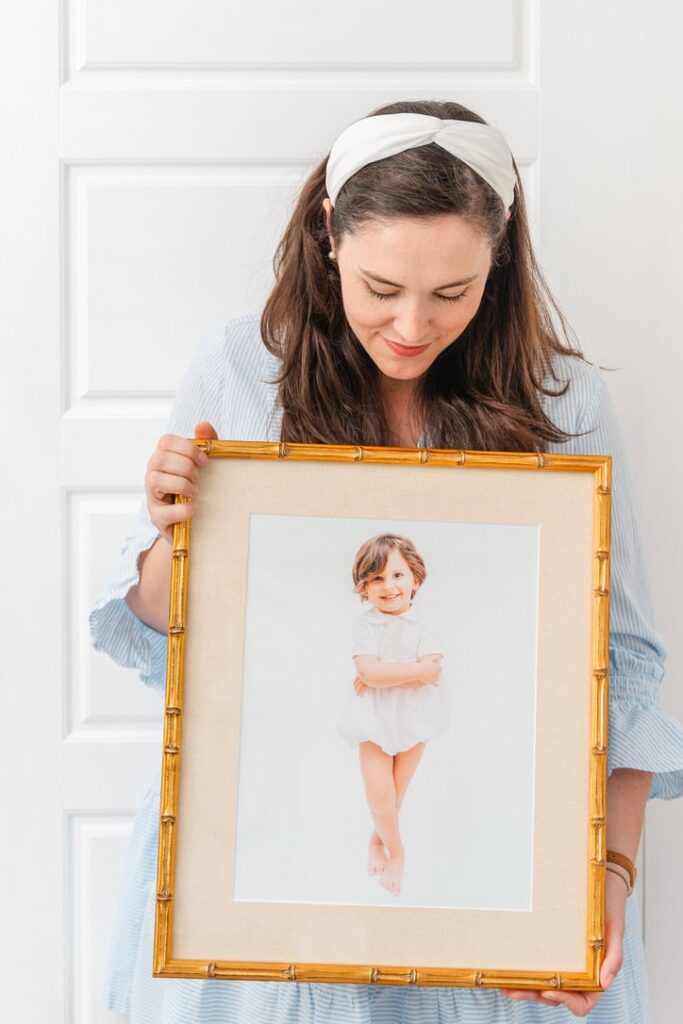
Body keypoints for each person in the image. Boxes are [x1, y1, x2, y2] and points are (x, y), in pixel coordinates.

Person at [90, 98, 683, 1022]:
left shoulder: (563, 399)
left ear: (500, 255)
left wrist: (609, 874)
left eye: (453, 292)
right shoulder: (241, 369)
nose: (412, 325)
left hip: (491, 877)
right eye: (380, 287)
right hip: (262, 871)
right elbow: (173, 638)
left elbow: (629, 661)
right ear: (328, 233)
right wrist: (177, 530)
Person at [337, 532, 449, 896]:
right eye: (377, 578)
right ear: (364, 587)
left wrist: (381, 674)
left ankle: (376, 840)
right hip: (373, 716)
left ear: (415, 579)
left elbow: (430, 672)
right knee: (379, 795)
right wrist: (402, 673)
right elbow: (373, 672)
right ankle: (397, 852)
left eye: (397, 575)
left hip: (416, 716)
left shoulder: (426, 623)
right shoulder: (365, 626)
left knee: (396, 794)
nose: (389, 586)